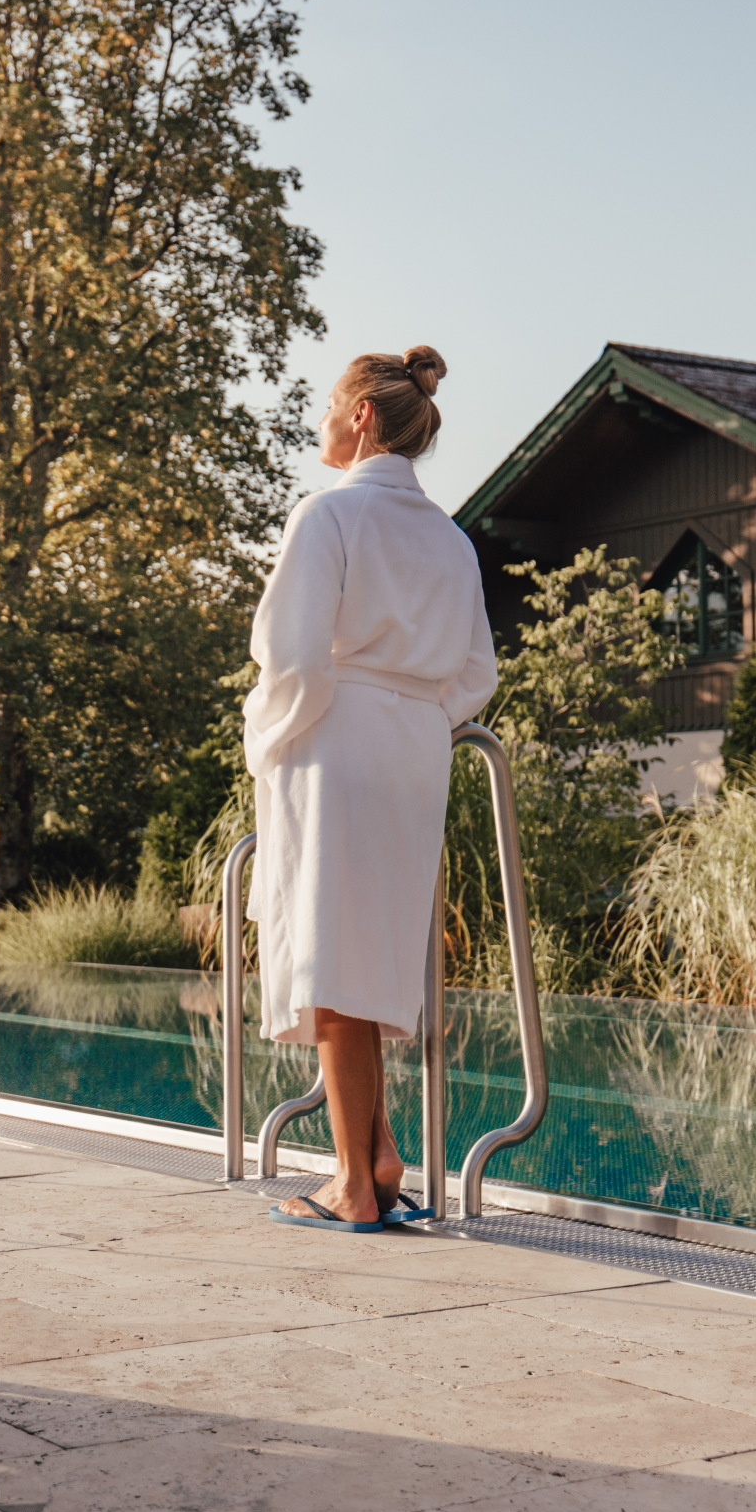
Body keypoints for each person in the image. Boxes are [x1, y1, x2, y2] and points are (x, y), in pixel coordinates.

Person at [243, 345, 498, 1231]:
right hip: (415, 749)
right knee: (370, 952)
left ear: (359, 418)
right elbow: (475, 673)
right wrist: (415, 714)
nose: (318, 421)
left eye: (326, 406)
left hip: (336, 738)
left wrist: (267, 737)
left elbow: (293, 655)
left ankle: (354, 1189)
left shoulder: (329, 515)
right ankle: (380, 1157)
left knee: (331, 957)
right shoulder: (450, 538)